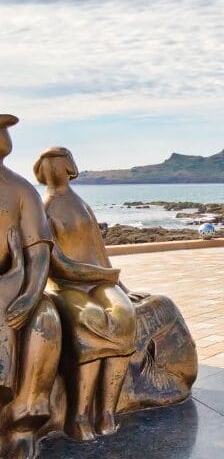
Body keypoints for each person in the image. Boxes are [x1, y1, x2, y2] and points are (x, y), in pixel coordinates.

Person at [33, 147, 136, 441]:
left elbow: (101, 253)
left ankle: (106, 410)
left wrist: (121, 287)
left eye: (60, 162)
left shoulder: (81, 204)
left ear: (69, 168)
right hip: (66, 285)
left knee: (124, 315)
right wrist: (103, 276)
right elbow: (58, 264)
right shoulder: (43, 207)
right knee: (89, 318)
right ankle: (78, 415)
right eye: (49, 163)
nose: (55, 168)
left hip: (99, 281)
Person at [0, 115, 62, 459]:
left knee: (46, 319)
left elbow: (39, 254)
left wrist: (30, 295)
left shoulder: (22, 190)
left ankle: (23, 422)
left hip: (15, 286)